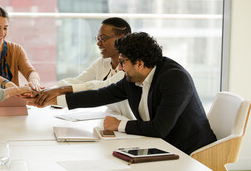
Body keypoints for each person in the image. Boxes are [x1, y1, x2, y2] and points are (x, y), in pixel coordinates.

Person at [28, 32, 217, 155]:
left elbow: (159, 128)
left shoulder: (175, 79)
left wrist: (121, 124)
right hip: (159, 146)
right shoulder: (133, 78)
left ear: (140, 63)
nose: (119, 67)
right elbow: (100, 95)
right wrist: (51, 100)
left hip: (189, 151)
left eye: (123, 61)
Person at [40, 17, 135, 120]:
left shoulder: (131, 68)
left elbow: (101, 88)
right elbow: (78, 81)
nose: (98, 43)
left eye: (103, 38)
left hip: (132, 126)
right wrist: (47, 91)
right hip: (111, 121)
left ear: (121, 38)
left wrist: (59, 91)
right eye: (98, 38)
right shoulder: (102, 63)